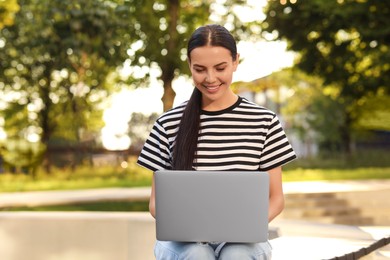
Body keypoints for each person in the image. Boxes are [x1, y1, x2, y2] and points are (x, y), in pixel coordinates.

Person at [137, 24, 297, 260]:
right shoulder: (168, 123)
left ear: (235, 62)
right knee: (197, 255)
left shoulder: (264, 121)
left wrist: (242, 227)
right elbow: (156, 204)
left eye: (220, 68)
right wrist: (192, 229)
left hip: (244, 240)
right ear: (190, 66)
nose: (210, 78)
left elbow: (276, 199)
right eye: (200, 69)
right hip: (184, 242)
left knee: (237, 255)